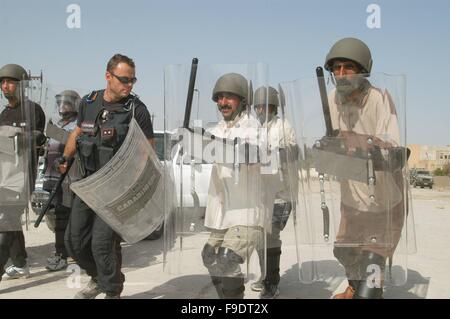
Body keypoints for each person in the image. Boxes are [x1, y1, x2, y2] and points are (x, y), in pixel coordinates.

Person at [58, 54, 155, 298]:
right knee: (74, 242)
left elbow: (148, 152)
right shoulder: (89, 102)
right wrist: (65, 158)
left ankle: (112, 290)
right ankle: (99, 279)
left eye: (133, 80)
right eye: (124, 79)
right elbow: (78, 132)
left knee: (101, 244)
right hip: (89, 184)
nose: (129, 85)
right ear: (108, 76)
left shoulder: (136, 110)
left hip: (116, 190)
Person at [322, 38, 405, 299]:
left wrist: (354, 143)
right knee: (344, 251)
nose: (341, 75)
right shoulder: (333, 98)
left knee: (369, 288)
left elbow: (391, 145)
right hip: (351, 200)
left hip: (384, 202)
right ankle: (353, 286)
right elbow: (332, 143)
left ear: (363, 71)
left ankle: (365, 290)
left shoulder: (380, 98)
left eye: (348, 67)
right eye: (336, 68)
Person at [201, 73, 267, 299]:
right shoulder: (219, 127)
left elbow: (253, 152)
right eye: (219, 97)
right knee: (209, 257)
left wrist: (218, 147)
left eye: (229, 97)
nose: (223, 102)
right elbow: (208, 148)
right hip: (223, 213)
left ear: (242, 101)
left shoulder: (252, 127)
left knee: (228, 259)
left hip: (246, 212)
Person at [250, 86, 298, 299]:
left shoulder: (283, 127)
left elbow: (292, 154)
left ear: (274, 107)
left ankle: (272, 283)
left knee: (270, 236)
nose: (261, 109)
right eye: (258, 105)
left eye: (265, 105)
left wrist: (275, 154)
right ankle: (265, 275)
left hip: (281, 193)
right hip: (260, 194)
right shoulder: (254, 128)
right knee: (260, 238)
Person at [0, 64, 46, 280]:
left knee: (6, 221)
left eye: (9, 82)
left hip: (23, 176)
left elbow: (38, 138)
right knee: (10, 220)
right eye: (2, 82)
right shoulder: (4, 113)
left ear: (22, 86)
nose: (4, 86)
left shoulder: (33, 110)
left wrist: (26, 137)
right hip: (4, 176)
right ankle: (20, 264)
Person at [42, 90, 81, 271]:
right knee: (58, 217)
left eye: (67, 103)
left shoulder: (77, 125)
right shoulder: (57, 124)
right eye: (60, 103)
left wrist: (56, 133)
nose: (62, 106)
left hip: (68, 178)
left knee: (67, 217)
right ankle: (63, 251)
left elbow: (74, 145)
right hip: (52, 176)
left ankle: (65, 254)